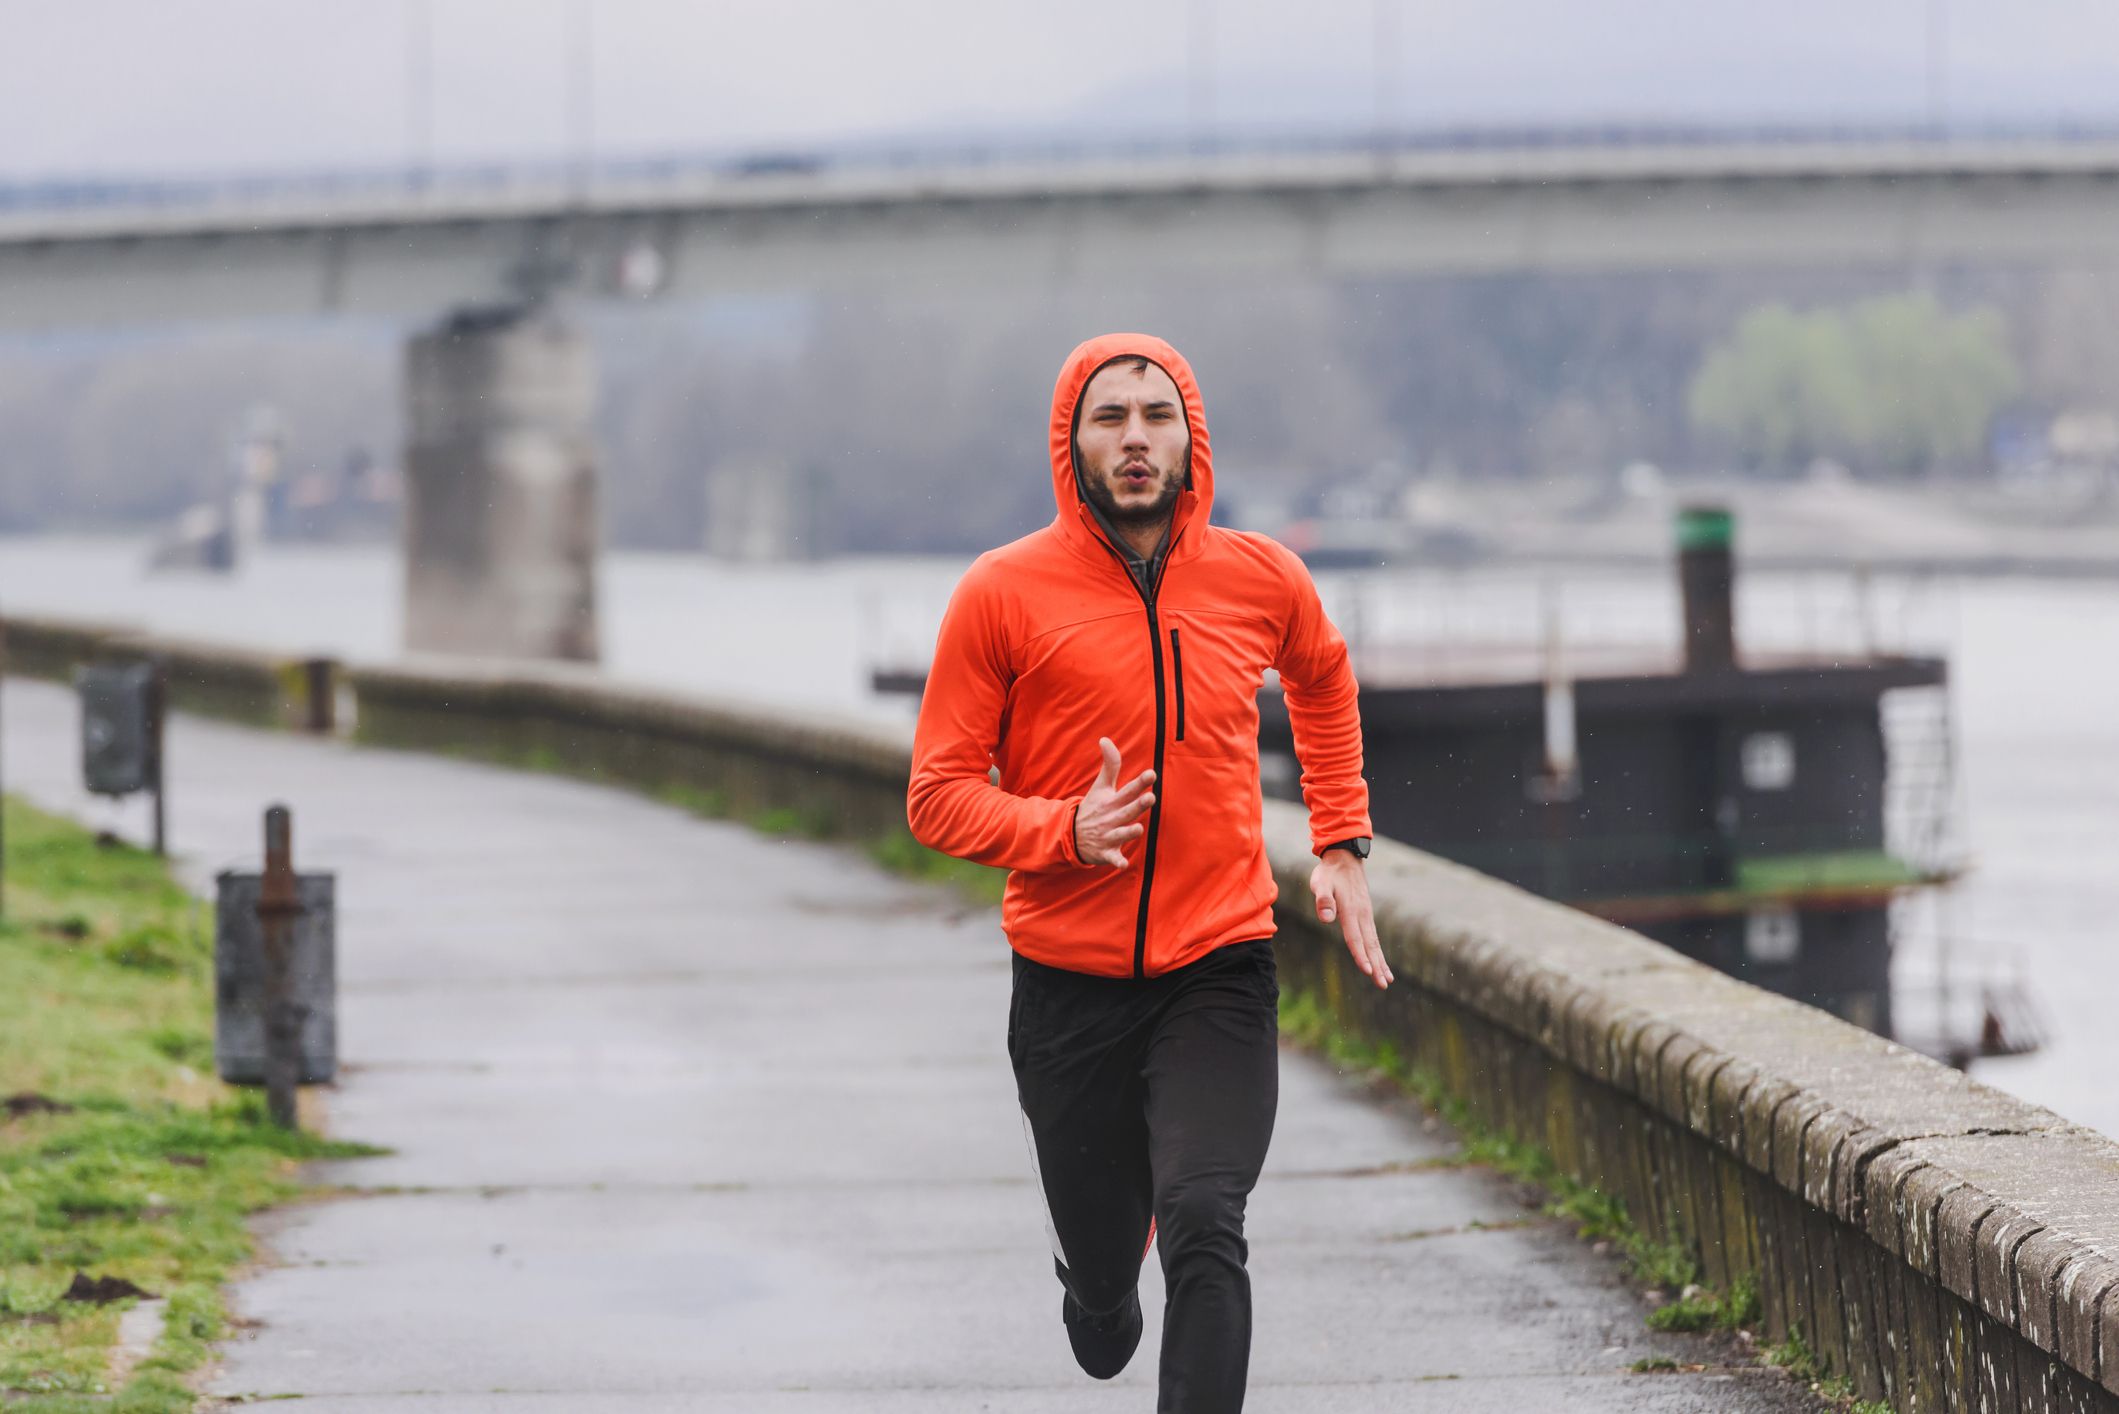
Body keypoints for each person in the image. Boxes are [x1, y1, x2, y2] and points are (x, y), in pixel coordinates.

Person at [906, 332, 1389, 1412]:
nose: (1135, 439)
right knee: (1105, 1325)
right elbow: (935, 792)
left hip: (1217, 965)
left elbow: (1321, 675)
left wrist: (1341, 840)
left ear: (1190, 437)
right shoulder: (1001, 593)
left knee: (1209, 1220)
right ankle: (1092, 1281)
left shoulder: (1259, 577)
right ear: (1070, 441)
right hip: (1067, 988)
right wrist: (1061, 830)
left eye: (1156, 416)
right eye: (1110, 417)